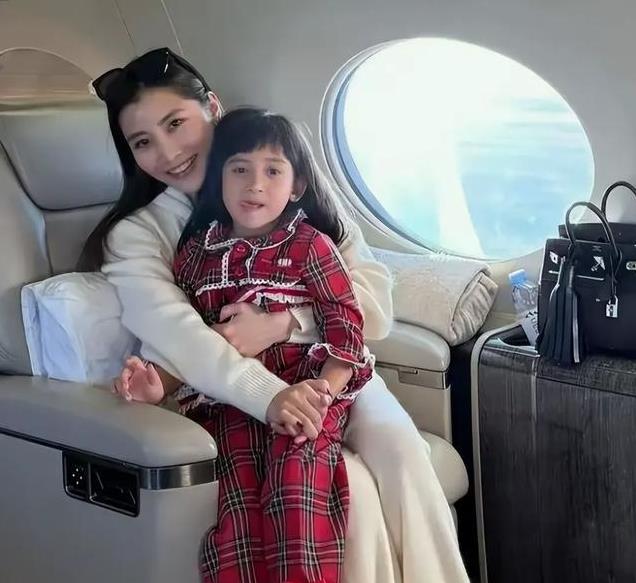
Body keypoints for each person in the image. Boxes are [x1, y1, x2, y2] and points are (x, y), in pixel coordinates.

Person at [81, 47, 469, 583]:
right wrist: (271, 397)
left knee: (404, 455)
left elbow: (373, 305)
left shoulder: (285, 183)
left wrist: (284, 322)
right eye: (143, 142)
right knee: (350, 491)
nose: (168, 153)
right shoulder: (141, 234)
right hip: (237, 395)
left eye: (176, 124)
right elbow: (182, 337)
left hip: (332, 371)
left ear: (212, 108)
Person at [119, 107, 376, 583]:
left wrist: (324, 391)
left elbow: (346, 323)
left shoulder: (310, 245)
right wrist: (159, 384)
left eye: (272, 171)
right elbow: (193, 339)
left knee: (295, 485)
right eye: (239, 170)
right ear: (219, 178)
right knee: (236, 511)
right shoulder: (196, 255)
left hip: (307, 390)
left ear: (296, 186)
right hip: (230, 405)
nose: (254, 185)